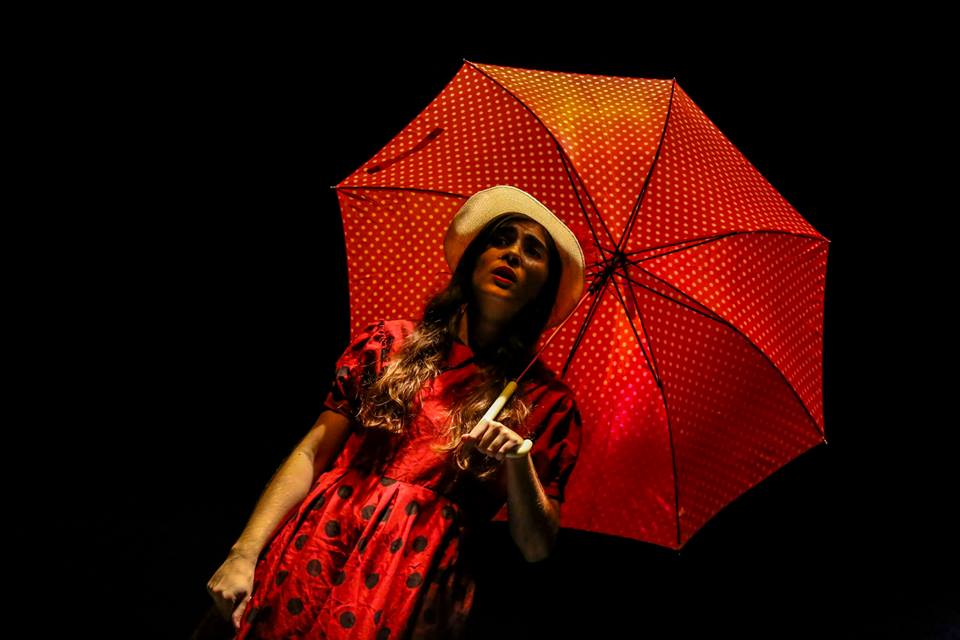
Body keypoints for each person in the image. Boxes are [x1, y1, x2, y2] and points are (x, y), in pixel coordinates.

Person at [204, 185, 586, 639]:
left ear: (545, 287)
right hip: (320, 543)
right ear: (475, 257)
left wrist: (518, 460)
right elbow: (311, 453)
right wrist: (244, 553)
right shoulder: (389, 343)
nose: (513, 254)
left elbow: (536, 546)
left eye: (533, 251)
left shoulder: (545, 401)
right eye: (501, 240)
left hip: (412, 582)